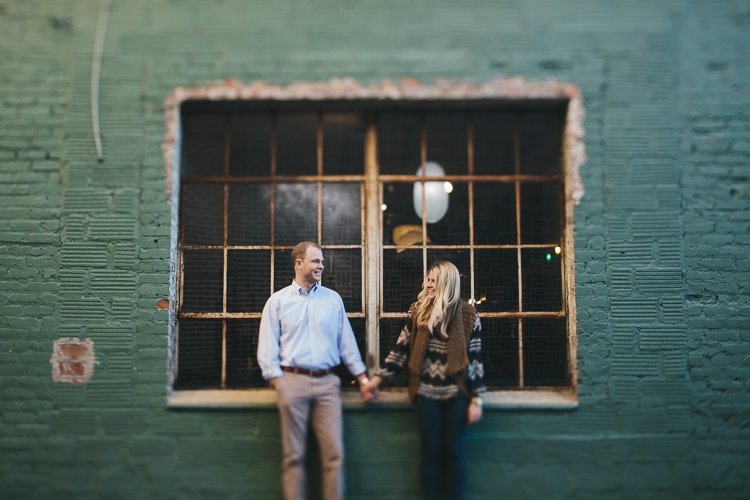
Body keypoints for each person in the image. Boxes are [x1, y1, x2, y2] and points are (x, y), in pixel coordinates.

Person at [257, 241, 372, 500]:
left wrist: (362, 378)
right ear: (299, 264)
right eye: (315, 261)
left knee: (334, 455)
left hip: (327, 384)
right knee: (294, 456)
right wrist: (277, 381)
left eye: (321, 261)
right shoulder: (278, 301)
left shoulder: (333, 300)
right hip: (292, 381)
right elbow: (267, 346)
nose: (321, 265)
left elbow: (346, 343)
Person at [361, 261, 485, 500]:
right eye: (427, 279)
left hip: (456, 395)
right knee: (430, 452)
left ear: (447, 283)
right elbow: (400, 349)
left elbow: (476, 359)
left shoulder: (469, 315)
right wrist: (376, 381)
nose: (427, 284)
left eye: (433, 280)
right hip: (426, 394)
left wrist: (476, 399)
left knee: (451, 453)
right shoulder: (418, 310)